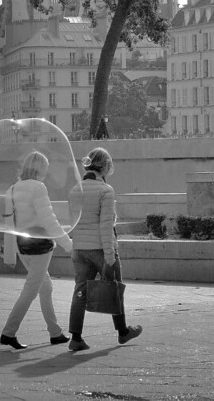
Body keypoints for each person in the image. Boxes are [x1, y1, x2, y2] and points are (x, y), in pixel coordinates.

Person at [66, 147, 142, 351]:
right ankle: (123, 332)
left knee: (79, 292)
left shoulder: (75, 190)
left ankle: (75, 338)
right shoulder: (105, 191)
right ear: (105, 166)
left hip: (80, 249)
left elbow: (73, 223)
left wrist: (75, 248)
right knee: (115, 288)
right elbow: (106, 225)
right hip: (100, 248)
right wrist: (109, 254)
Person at [0, 151, 73, 350]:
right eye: (45, 168)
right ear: (40, 168)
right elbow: (48, 220)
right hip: (40, 246)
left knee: (45, 287)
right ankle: (8, 332)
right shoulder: (38, 188)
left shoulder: (12, 189)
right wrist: (68, 244)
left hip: (22, 245)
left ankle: (55, 333)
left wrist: (9, 250)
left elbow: (8, 223)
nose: (46, 173)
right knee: (31, 289)